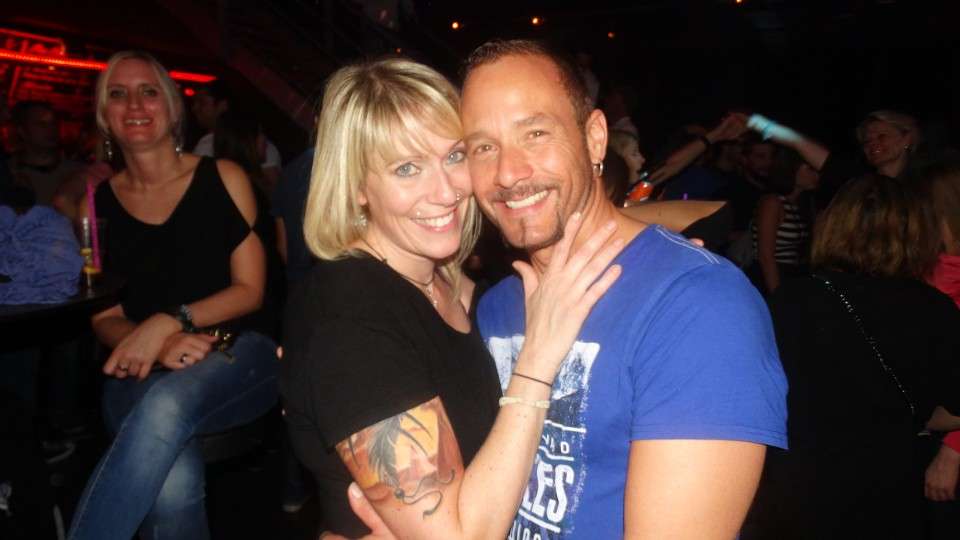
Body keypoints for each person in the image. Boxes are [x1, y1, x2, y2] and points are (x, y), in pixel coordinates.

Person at [456, 39, 787, 539]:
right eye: (483, 147)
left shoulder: (699, 306)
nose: (507, 173)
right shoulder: (496, 307)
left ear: (594, 138)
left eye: (536, 133)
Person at [279, 57, 622, 538]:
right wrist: (537, 362)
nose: (445, 192)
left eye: (455, 156)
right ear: (357, 188)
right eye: (407, 168)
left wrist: (650, 248)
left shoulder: (452, 283)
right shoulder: (348, 313)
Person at [67, 50, 279, 540]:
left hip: (239, 352)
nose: (134, 105)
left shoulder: (224, 176)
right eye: (118, 94)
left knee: (163, 408)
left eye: (149, 91)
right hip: (139, 367)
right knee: (171, 482)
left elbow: (250, 291)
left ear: (173, 107)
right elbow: (104, 318)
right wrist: (159, 343)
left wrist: (170, 321)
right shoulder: (94, 206)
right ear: (104, 115)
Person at [752, 175, 960, 539]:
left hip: (799, 486)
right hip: (889, 489)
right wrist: (912, 414)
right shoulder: (935, 308)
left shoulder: (793, 300)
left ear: (833, 226)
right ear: (918, 233)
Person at [190, 81, 282, 193]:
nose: (195, 108)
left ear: (222, 105)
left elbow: (274, 191)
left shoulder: (255, 142)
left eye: (202, 102)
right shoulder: (205, 143)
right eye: (194, 103)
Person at [749, 148, 818, 294]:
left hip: (791, 275)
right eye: (811, 169)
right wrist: (778, 294)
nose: (817, 174)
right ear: (792, 169)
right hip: (769, 277)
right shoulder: (772, 202)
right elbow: (765, 255)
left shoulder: (802, 204)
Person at [7, 100, 85, 207]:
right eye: (41, 124)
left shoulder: (78, 173)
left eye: (54, 123)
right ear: (22, 131)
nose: (51, 129)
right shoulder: (9, 174)